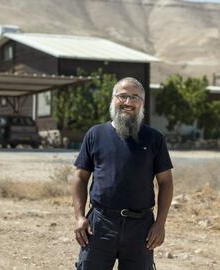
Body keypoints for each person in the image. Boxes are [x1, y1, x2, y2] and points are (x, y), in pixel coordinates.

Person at [72, 77, 174, 270]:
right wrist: (79, 217)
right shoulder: (95, 134)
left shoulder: (154, 139)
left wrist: (160, 224)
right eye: (123, 96)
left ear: (142, 103)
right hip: (100, 225)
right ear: (113, 100)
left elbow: (166, 182)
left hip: (141, 228)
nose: (128, 102)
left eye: (135, 97)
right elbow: (80, 177)